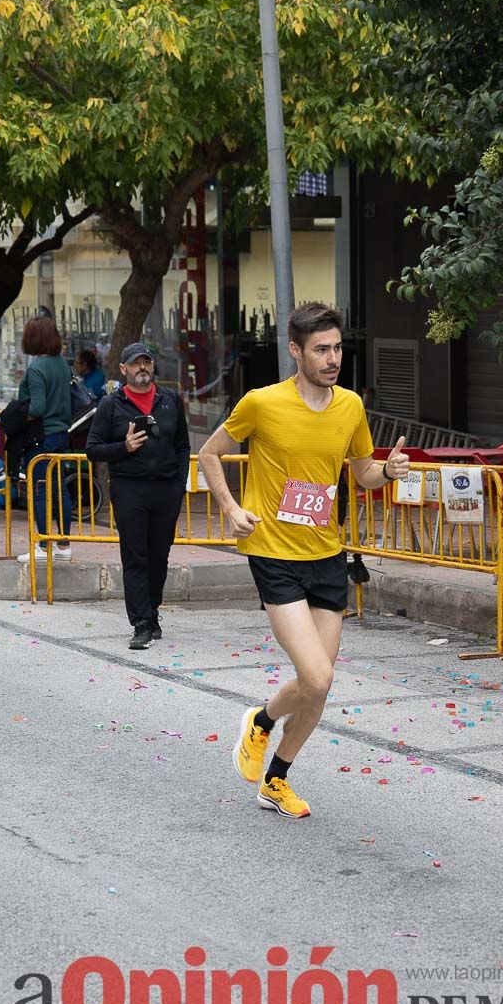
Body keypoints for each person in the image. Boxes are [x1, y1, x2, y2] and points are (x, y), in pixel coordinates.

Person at [198, 302, 410, 819]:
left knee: (320, 685)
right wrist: (231, 508)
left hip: (327, 553)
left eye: (337, 348)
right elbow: (209, 453)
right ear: (296, 351)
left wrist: (390, 471)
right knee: (315, 677)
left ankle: (276, 779)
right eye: (321, 349)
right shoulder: (262, 403)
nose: (332, 357)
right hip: (274, 552)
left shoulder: (351, 407)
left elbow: (362, 474)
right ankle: (262, 721)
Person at [86, 342, 189, 649]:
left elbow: (182, 445)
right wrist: (124, 447)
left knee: (159, 555)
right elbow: (92, 449)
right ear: (123, 369)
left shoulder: (170, 399)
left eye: (146, 362)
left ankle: (152, 610)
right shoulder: (111, 405)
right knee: (135, 555)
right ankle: (141, 623)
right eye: (135, 364)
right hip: (129, 488)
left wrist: (179, 483)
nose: (142, 368)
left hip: (166, 489)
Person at [16, 316, 74, 563]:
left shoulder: (37, 368)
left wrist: (18, 416)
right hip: (61, 434)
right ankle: (63, 544)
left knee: (39, 490)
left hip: (42, 436)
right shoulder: (62, 364)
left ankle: (41, 545)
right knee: (59, 488)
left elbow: (37, 407)